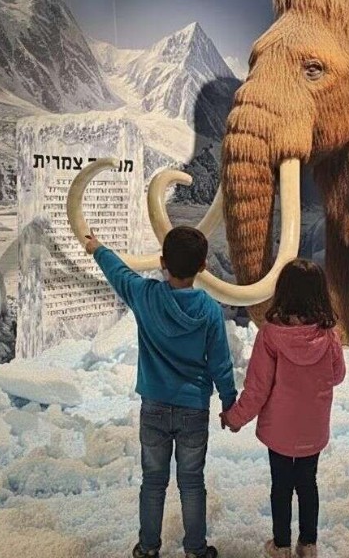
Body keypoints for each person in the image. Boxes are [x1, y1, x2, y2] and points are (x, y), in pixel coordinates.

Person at [84, 226, 236, 558]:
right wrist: (229, 403)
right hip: (193, 409)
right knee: (192, 482)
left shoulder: (146, 296)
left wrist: (97, 248)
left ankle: (148, 547)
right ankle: (195, 549)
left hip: (153, 406)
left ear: (163, 262)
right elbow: (221, 364)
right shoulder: (210, 310)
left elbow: (119, 273)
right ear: (203, 266)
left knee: (153, 481)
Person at [221, 259, 346, 558]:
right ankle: (308, 544)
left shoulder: (270, 336)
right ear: (320, 293)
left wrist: (235, 417)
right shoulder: (329, 336)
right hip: (312, 429)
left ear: (283, 291)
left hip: (279, 431)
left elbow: (257, 388)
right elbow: (337, 375)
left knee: (281, 486)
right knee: (308, 484)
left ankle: (281, 545)